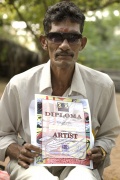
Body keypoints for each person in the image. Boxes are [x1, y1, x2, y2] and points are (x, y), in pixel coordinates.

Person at [0, 1, 120, 180]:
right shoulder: (19, 84)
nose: (64, 45)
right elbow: (2, 132)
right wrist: (15, 150)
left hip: (80, 165)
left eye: (73, 38)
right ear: (44, 42)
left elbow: (108, 133)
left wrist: (101, 150)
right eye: (56, 37)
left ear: (82, 43)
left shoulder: (102, 85)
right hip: (31, 164)